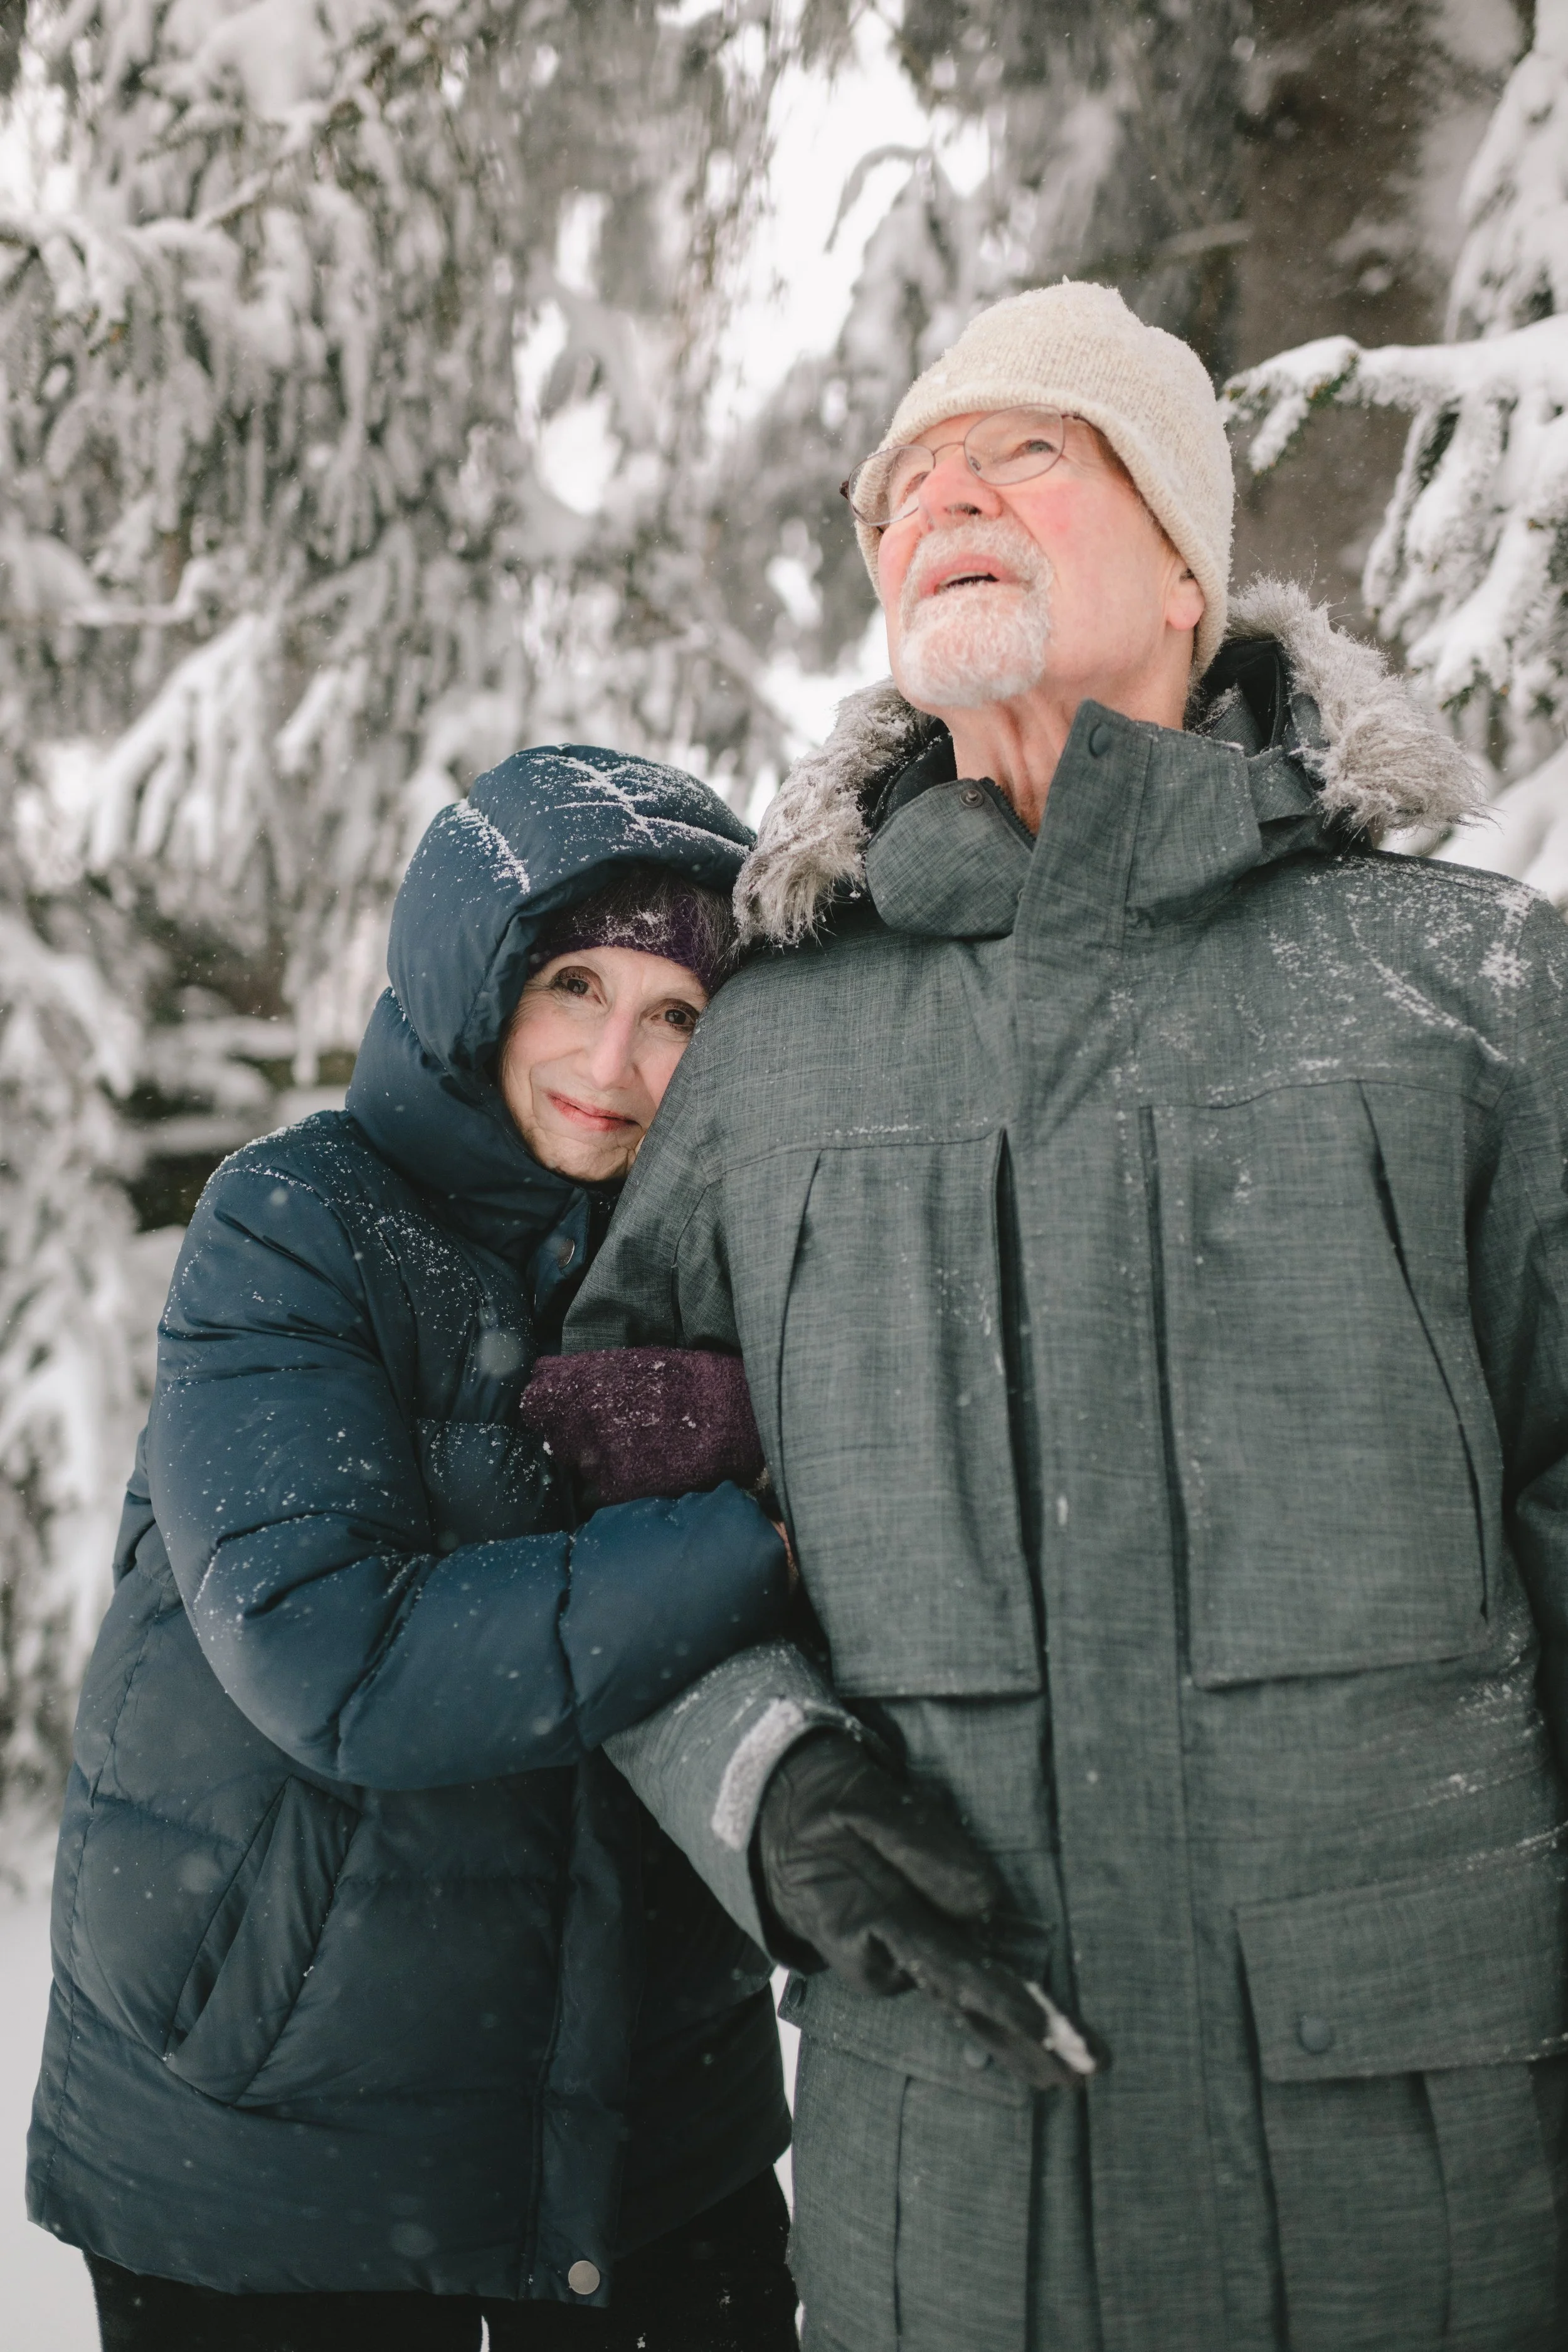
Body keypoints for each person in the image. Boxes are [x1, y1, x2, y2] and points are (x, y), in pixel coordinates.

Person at [568, 280, 1568, 2351]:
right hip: (957, 2200)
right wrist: (766, 1780)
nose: (944, 496)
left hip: (1421, 2173)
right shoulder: (771, 1060)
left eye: (1024, 450)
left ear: (1193, 553)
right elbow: (598, 1479)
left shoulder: (1470, 1002)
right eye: (904, 487)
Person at [27, 745, 802, 2352]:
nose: (614, 1056)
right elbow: (336, 1652)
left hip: (645, 2124)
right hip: (276, 2130)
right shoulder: (296, 1223)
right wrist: (755, 1543)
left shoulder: (733, 1264)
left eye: (678, 1012)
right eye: (572, 982)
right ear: (472, 981)